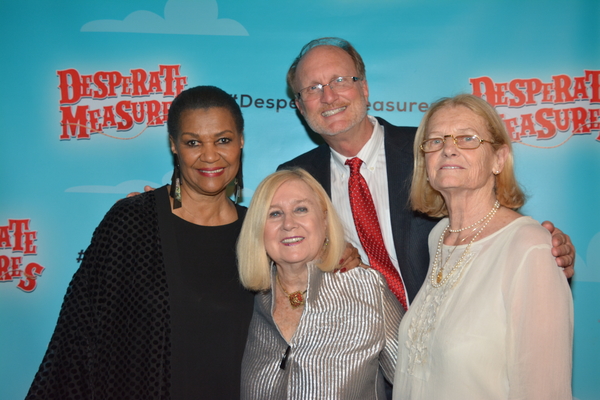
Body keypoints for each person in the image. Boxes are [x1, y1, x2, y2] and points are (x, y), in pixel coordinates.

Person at [279, 37, 575, 308]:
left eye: (340, 80)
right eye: (312, 88)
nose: (328, 96)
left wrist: (541, 249)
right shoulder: (295, 179)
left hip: (451, 333)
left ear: (364, 88)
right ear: (300, 107)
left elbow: (496, 223)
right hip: (354, 350)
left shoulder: (434, 151)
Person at [26, 86, 255, 399]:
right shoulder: (133, 222)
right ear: (174, 146)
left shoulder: (262, 231)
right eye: (193, 142)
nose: (210, 155)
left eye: (223, 140)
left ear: (241, 141)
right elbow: (79, 337)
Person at [392, 94, 573, 399]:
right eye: (435, 141)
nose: (448, 149)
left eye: (467, 138)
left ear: (499, 159)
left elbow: (545, 390)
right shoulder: (439, 237)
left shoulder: (530, 247)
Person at [237, 168, 403, 399]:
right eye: (274, 214)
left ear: (324, 220)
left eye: (301, 209)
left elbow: (415, 381)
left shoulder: (367, 289)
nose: (288, 224)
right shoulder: (248, 300)